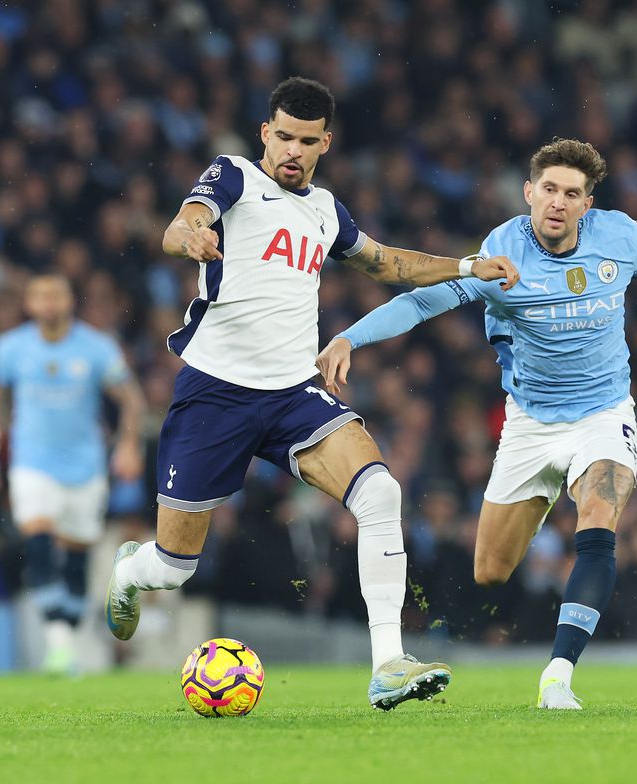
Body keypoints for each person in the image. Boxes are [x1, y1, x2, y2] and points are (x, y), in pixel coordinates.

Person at [317, 138, 637, 709]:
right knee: (490, 572)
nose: (558, 201)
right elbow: (423, 302)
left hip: (603, 414)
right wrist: (350, 337)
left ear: (587, 204)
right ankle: (548, 495)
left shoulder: (618, 237)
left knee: (600, 519)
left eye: (572, 193)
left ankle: (557, 676)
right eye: (549, 189)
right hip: (529, 425)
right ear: (529, 193)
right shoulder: (502, 252)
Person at [102, 76, 518, 710]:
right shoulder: (235, 176)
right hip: (214, 392)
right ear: (265, 133)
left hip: (292, 392)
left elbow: (386, 262)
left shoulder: (325, 210)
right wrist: (191, 237)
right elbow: (180, 224)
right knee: (174, 566)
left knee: (381, 492)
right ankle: (131, 573)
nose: (292, 151)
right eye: (283, 137)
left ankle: (388, 664)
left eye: (306, 141)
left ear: (326, 143)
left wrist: (467, 266)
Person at [0, 273, 145, 674]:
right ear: (29, 304)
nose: (49, 303)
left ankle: (64, 641)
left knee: (75, 562)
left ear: (70, 301)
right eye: (40, 296)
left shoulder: (97, 347)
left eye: (56, 296)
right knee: (37, 540)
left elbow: (132, 399)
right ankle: (58, 639)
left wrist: (128, 444)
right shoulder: (10, 348)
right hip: (32, 463)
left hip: (86, 467)